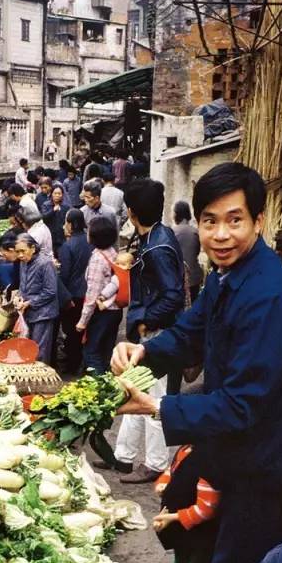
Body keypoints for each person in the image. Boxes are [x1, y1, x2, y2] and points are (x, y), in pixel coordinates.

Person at [111, 162, 282, 563]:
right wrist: (145, 351)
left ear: (258, 222)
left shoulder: (268, 296)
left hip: (270, 462)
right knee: (216, 559)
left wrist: (159, 406)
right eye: (210, 221)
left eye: (235, 220)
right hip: (236, 453)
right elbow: (191, 332)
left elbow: (244, 405)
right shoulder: (227, 277)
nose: (220, 234)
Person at [111, 178, 185, 485]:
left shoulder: (158, 246)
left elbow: (173, 295)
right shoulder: (155, 236)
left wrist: (146, 322)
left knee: (156, 397)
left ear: (130, 212)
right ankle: (123, 457)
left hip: (159, 333)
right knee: (133, 389)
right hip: (150, 332)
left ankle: (155, 463)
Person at [75, 216, 122, 374]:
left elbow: (92, 295)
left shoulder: (97, 259)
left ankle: (98, 385)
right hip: (115, 311)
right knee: (106, 352)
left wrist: (83, 321)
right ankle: (108, 386)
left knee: (91, 353)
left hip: (102, 312)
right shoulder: (112, 252)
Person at [14, 233, 60, 363]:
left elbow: (50, 291)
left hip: (43, 314)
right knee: (29, 348)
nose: (20, 255)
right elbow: (23, 285)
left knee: (39, 351)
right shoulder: (23, 262)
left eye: (23, 251)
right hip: (29, 311)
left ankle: (42, 380)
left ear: (33, 248)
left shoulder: (45, 263)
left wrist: (30, 302)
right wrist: (18, 297)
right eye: (17, 252)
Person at [57, 208, 92, 375]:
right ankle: (83, 363)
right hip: (89, 293)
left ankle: (72, 366)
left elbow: (64, 275)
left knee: (71, 332)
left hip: (73, 294)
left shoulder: (67, 246)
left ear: (70, 224)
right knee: (85, 330)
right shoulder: (90, 241)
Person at [173, 199, 203, 302]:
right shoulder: (196, 232)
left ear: (177, 214)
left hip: (177, 279)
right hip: (194, 278)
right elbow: (196, 252)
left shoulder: (172, 232)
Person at [0, 229, 21, 293]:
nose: (4, 258)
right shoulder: (17, 261)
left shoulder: (24, 261)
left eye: (4, 254)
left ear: (11, 250)